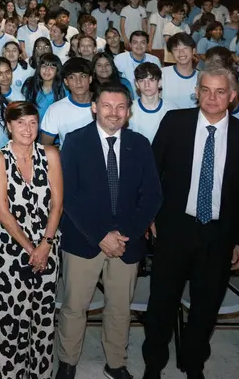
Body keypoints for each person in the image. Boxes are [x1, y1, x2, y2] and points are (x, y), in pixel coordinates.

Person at [142, 66, 239, 379]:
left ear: (232, 96)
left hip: (219, 235)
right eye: (205, 90)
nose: (211, 97)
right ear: (196, 92)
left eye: (220, 91)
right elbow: (151, 173)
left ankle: (193, 364)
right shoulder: (175, 122)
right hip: (174, 229)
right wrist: (149, 215)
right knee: (161, 302)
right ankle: (153, 364)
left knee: (205, 306)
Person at [56, 83, 162, 379]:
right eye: (106, 106)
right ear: (94, 107)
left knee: (120, 308)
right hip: (83, 240)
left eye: (120, 107)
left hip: (126, 242)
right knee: (74, 306)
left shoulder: (140, 144)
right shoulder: (75, 141)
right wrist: (101, 235)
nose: (113, 113)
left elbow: (152, 195)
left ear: (129, 111)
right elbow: (68, 195)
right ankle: (67, 362)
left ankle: (116, 363)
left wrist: (126, 234)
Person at [0, 101, 63, 379]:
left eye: (33, 122)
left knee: (43, 318)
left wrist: (45, 245)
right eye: (20, 123)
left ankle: (39, 374)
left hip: (48, 248)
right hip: (12, 252)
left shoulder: (51, 154)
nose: (27, 129)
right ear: (9, 126)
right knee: (10, 318)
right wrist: (31, 249)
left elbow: (57, 205)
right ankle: (8, 373)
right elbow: (1, 212)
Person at [41, 58, 95, 146]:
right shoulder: (55, 110)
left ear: (90, 79)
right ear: (66, 82)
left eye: (83, 76)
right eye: (72, 77)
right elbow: (45, 146)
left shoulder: (104, 104)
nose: (78, 82)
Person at [128, 62, 175, 143]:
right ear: (137, 84)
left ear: (159, 83)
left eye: (151, 80)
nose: (147, 85)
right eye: (142, 80)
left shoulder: (172, 110)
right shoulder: (129, 110)